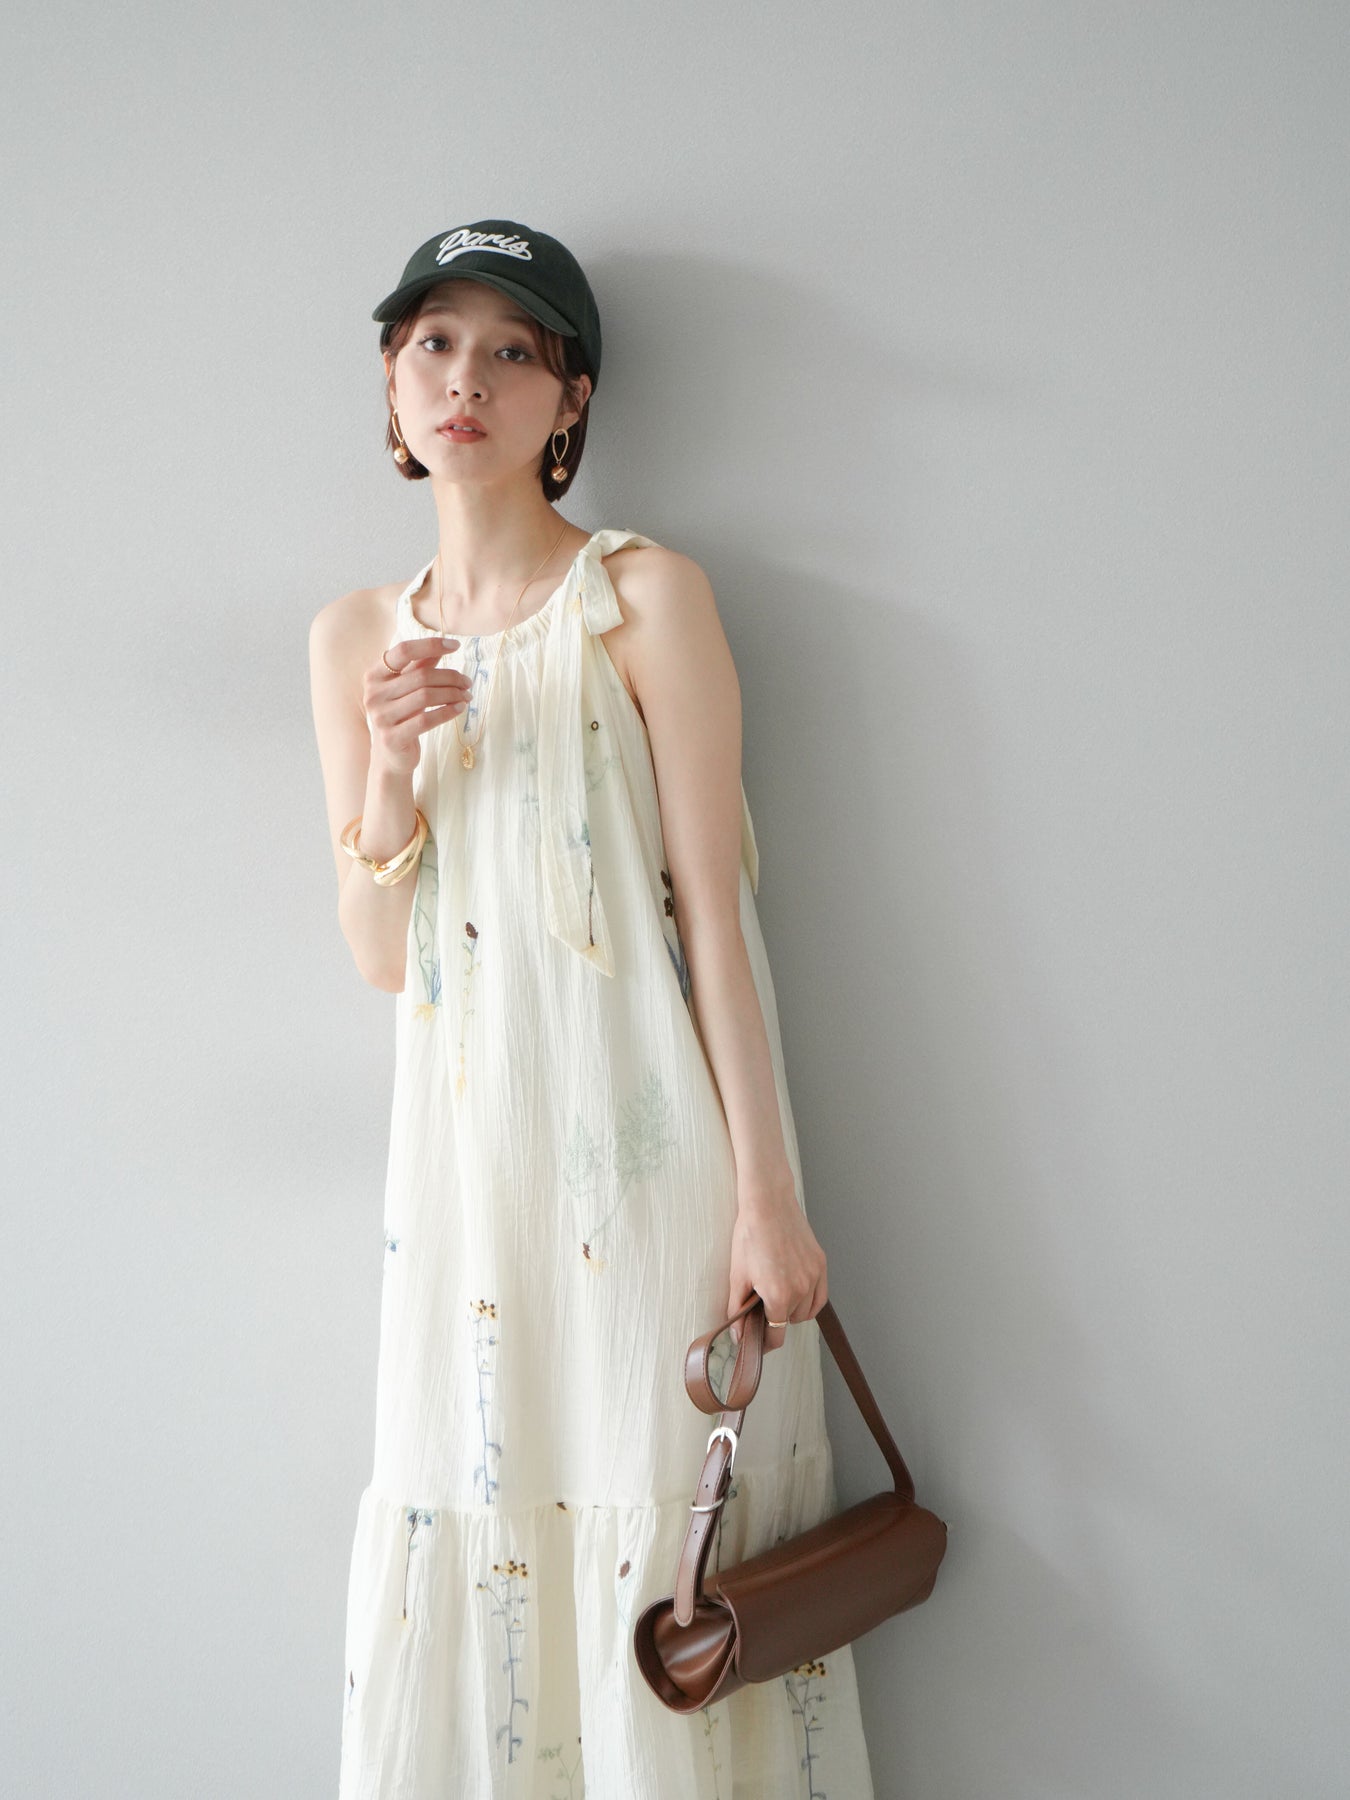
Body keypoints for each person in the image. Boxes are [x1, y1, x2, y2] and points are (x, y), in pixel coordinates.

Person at [308, 219, 877, 1797]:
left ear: (569, 403)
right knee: (471, 1491)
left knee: (664, 1529)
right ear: (390, 381)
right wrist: (392, 768)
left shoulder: (643, 596)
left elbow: (716, 917)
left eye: (512, 352)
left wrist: (767, 1202)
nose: (465, 379)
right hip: (463, 1181)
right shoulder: (355, 639)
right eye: (433, 343)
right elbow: (379, 954)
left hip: (649, 1169)